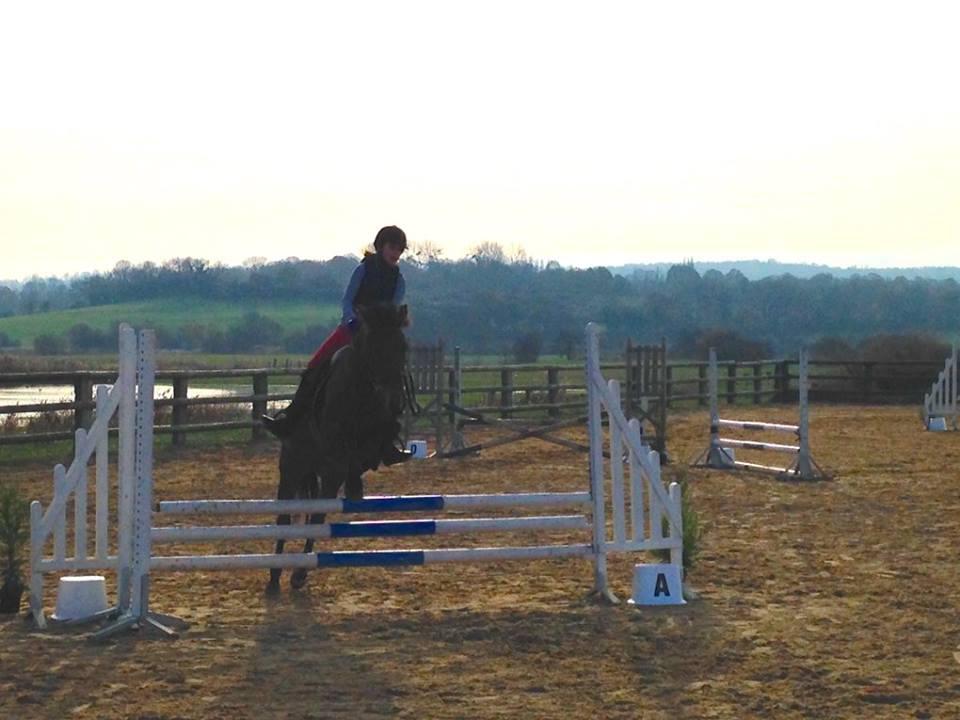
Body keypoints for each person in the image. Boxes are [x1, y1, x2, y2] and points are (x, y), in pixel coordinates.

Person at [262, 225, 413, 465]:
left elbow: (393, 310)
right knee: (316, 364)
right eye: (392, 247)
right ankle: (290, 419)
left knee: (392, 376)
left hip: (379, 337)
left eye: (399, 249)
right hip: (353, 328)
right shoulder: (363, 270)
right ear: (381, 246)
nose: (396, 253)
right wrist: (352, 321)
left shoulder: (399, 280)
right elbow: (347, 300)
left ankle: (389, 441)